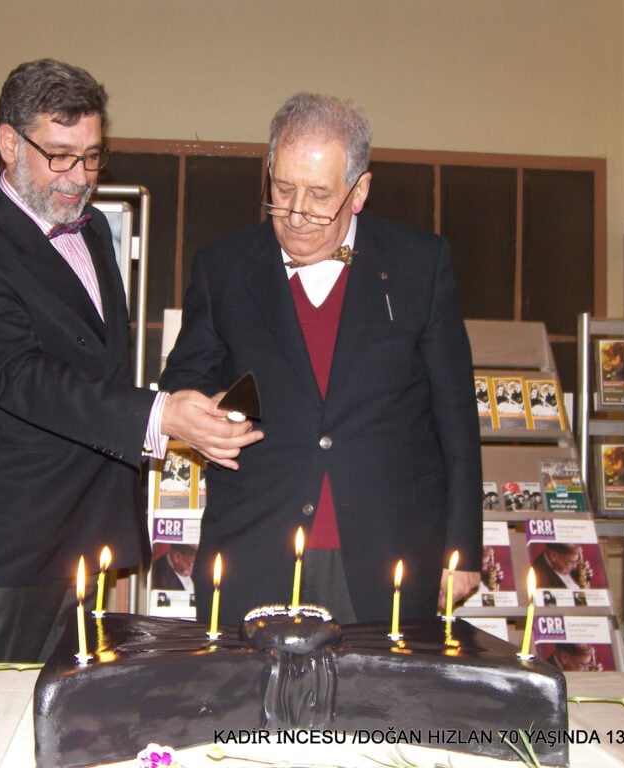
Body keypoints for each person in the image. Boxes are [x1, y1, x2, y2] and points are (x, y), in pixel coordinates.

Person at [0, 59, 261, 663]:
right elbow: (24, 379)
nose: (79, 177)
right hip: (14, 542)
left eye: (93, 156)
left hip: (92, 526)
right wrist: (159, 417)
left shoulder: (96, 229)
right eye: (59, 155)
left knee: (72, 715)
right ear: (8, 144)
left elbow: (100, 370)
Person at [160, 92, 482, 626]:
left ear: (359, 191)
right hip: (255, 544)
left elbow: (455, 415)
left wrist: (463, 546)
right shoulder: (224, 266)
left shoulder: (419, 264)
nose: (296, 214)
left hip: (389, 548)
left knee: (380, 706)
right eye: (282, 189)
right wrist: (200, 409)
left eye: (318, 195)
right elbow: (184, 376)